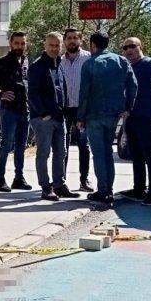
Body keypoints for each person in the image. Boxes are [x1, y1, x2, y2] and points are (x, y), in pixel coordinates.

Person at [75, 31, 137, 207]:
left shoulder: (89, 64)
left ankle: (103, 190)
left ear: (93, 44)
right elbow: (133, 85)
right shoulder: (121, 61)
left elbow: (84, 93)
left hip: (94, 115)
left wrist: (80, 116)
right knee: (108, 152)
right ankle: (108, 188)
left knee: (98, 154)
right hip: (113, 114)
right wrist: (128, 107)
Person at [0, 32, 32, 192]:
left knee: (21, 146)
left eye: (23, 43)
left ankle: (19, 178)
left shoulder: (25, 61)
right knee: (6, 145)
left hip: (25, 110)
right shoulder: (1, 62)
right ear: (10, 43)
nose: (20, 46)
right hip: (9, 110)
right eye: (17, 43)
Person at [120, 37, 151, 206]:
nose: (128, 50)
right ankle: (138, 189)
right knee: (136, 155)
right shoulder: (127, 67)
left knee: (150, 156)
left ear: (140, 47)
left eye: (132, 46)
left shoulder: (150, 65)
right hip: (131, 117)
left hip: (146, 117)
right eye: (125, 48)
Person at [27, 32, 70, 201]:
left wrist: (65, 110)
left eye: (57, 45)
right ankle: (46, 187)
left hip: (60, 117)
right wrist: (43, 113)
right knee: (44, 153)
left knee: (61, 152)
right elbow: (32, 93)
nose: (54, 48)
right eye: (51, 45)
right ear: (45, 45)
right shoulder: (37, 66)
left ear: (61, 46)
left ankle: (59, 185)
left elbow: (62, 89)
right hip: (43, 118)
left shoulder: (59, 64)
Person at [60, 29, 92, 192]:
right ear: (64, 41)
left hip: (82, 108)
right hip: (64, 109)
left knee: (83, 145)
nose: (72, 41)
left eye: (75, 38)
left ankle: (84, 180)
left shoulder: (89, 58)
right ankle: (60, 180)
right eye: (69, 38)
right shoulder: (59, 61)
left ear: (80, 40)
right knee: (62, 146)